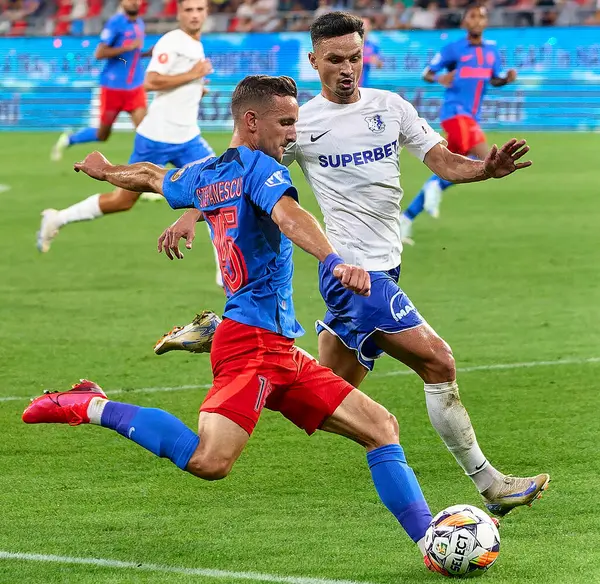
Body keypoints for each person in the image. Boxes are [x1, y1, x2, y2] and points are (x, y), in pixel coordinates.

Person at [23, 75, 438, 564]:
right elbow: (288, 217)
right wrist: (332, 259)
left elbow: (154, 177)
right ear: (251, 121)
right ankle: (91, 405)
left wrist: (109, 170)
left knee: (381, 426)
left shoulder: (209, 171)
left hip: (278, 348)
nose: (293, 133)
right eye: (285, 123)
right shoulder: (262, 170)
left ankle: (432, 542)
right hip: (251, 348)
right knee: (210, 460)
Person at [156, 12, 549, 518]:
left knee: (316, 388)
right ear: (314, 60)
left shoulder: (392, 107)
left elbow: (443, 160)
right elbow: (242, 167)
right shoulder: (300, 124)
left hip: (387, 269)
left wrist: (484, 170)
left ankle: (221, 331)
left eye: (355, 57)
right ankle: (491, 483)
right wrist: (193, 213)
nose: (347, 69)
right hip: (351, 276)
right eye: (335, 59)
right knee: (438, 362)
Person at [37, 0, 217, 273]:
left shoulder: (194, 43)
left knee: (220, 191)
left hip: (188, 137)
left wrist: (195, 86)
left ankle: (223, 275)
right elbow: (151, 81)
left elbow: (176, 82)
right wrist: (194, 74)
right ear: (178, 13)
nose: (194, 15)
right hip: (156, 136)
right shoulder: (172, 41)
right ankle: (57, 219)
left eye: (199, 10)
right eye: (188, 10)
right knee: (122, 200)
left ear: (206, 13)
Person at [400, 4, 518, 244]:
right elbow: (427, 73)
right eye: (473, 16)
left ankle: (408, 217)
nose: (477, 20)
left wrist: (505, 79)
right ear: (465, 22)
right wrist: (440, 77)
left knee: (476, 162)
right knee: (484, 160)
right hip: (454, 113)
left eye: (482, 16)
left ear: (486, 23)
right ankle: (436, 184)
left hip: (470, 116)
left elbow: (493, 79)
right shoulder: (454, 48)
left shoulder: (492, 51)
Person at [51, 0, 150, 162]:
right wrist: (126, 48)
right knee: (102, 135)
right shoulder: (115, 23)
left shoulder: (139, 23)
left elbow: (132, 55)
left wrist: (146, 53)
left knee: (147, 132)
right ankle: (70, 139)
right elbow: (99, 53)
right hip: (113, 88)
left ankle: (144, 177)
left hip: (135, 87)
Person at [358, 16, 383, 88]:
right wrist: (368, 59)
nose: (363, 28)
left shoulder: (373, 45)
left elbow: (380, 65)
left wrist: (377, 62)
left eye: (365, 25)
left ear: (370, 27)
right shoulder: (352, 44)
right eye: (361, 25)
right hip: (353, 84)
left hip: (367, 84)